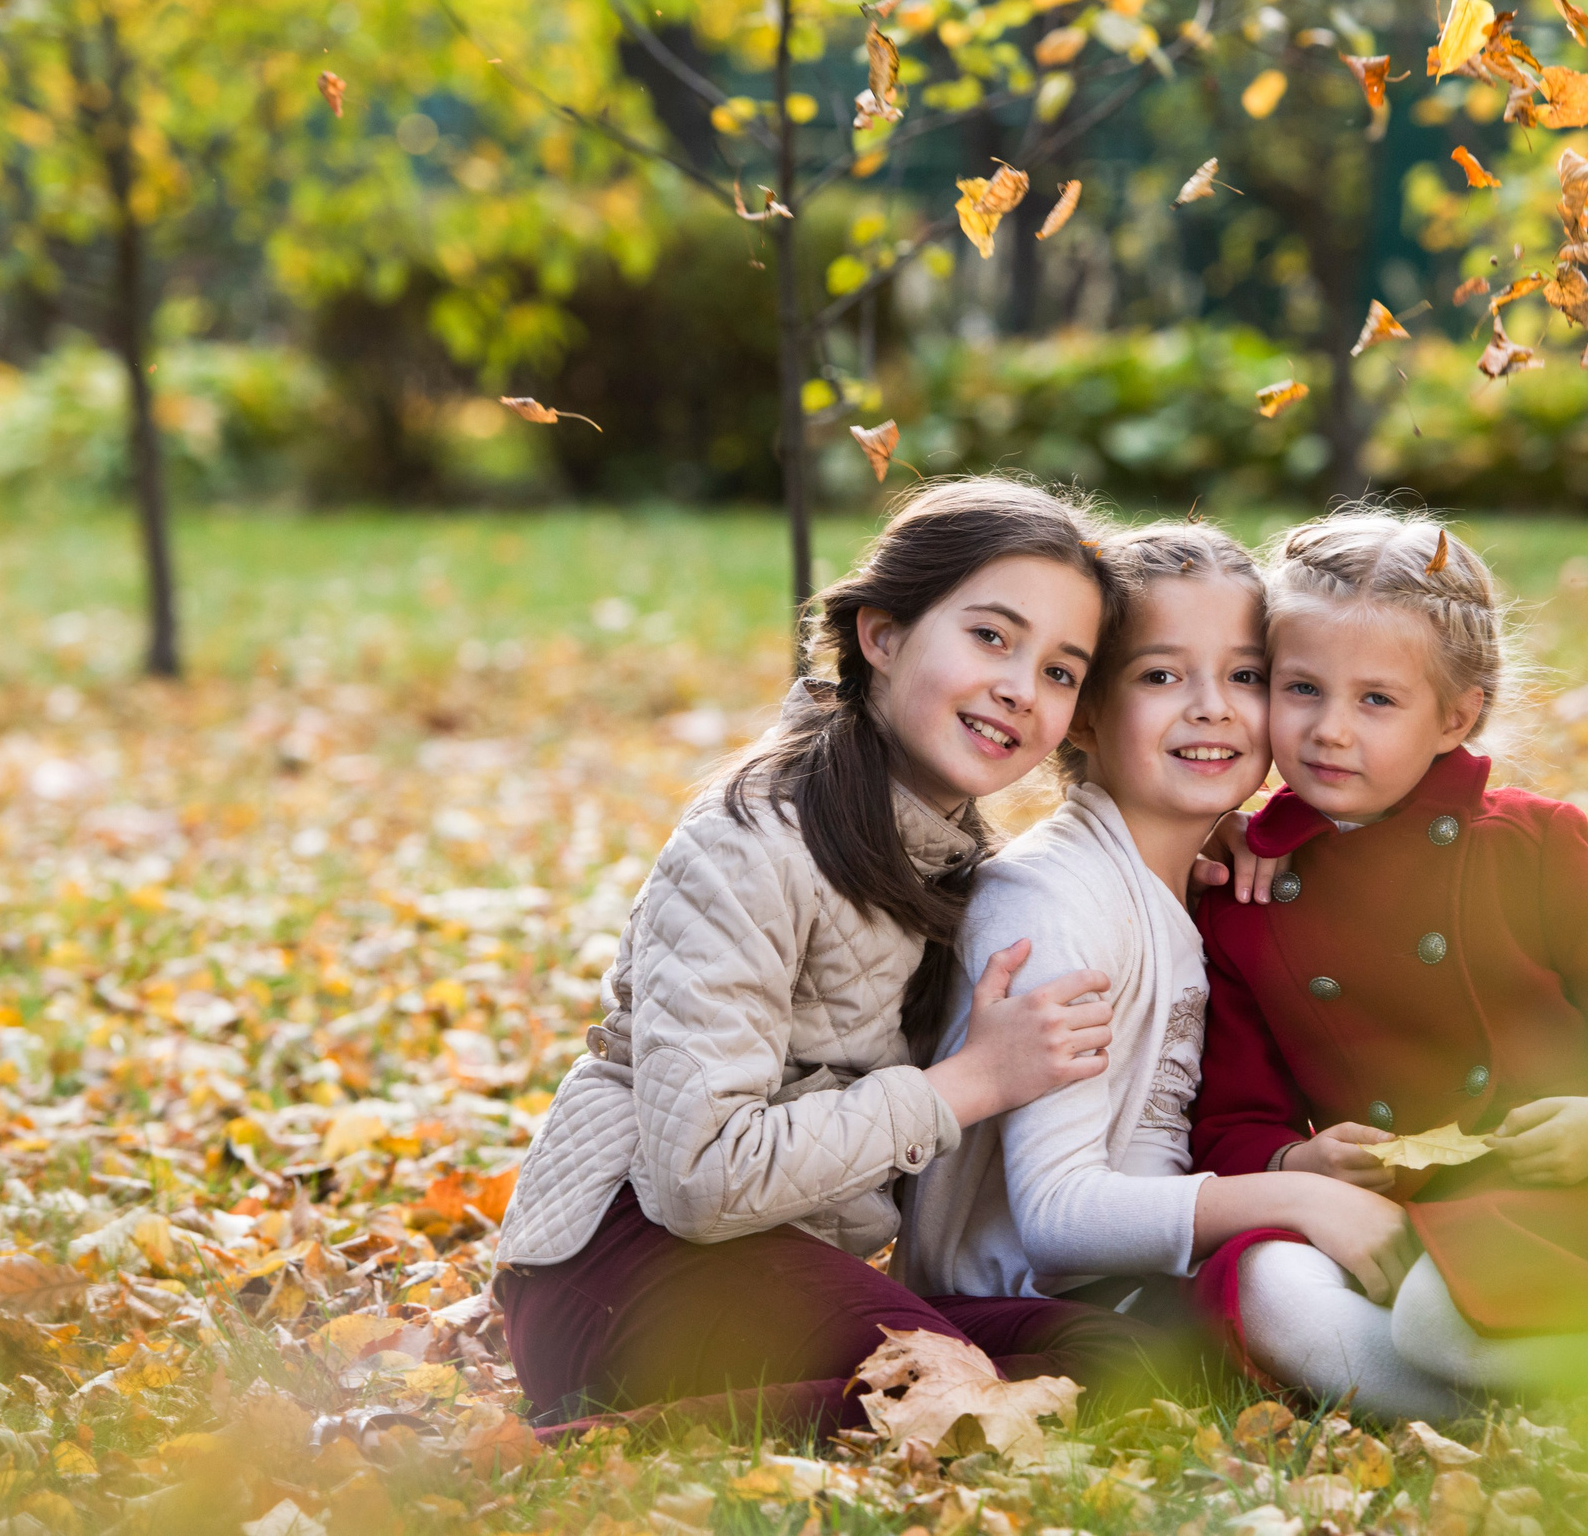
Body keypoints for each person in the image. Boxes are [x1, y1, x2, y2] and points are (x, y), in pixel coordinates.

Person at [492, 478, 1158, 1437]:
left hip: (783, 1265)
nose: (1021, 687)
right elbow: (699, 1180)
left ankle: (716, 1425)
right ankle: (560, 1456)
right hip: (619, 1262)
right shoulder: (748, 844)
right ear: (881, 635)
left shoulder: (955, 862)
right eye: (991, 636)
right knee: (954, 1394)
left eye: (1061, 671)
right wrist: (973, 1081)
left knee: (1125, 1362)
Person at [1191, 508, 1588, 1414]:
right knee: (1266, 1285)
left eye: (1377, 700)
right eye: (1300, 688)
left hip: (1582, 1206)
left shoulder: (1527, 846)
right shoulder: (1241, 890)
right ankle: (1537, 1407)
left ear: (1456, 715)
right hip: (1393, 1221)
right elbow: (1231, 1120)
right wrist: (1293, 1163)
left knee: (1440, 1316)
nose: (1329, 731)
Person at [899, 525, 1417, 1380]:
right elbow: (1057, 1215)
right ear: (1086, 713)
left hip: (1137, 1279)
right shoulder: (1050, 901)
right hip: (1019, 1307)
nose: (1213, 707)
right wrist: (1299, 1195)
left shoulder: (1200, 885)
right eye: (1161, 675)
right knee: (1234, 1315)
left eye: (1246, 676)